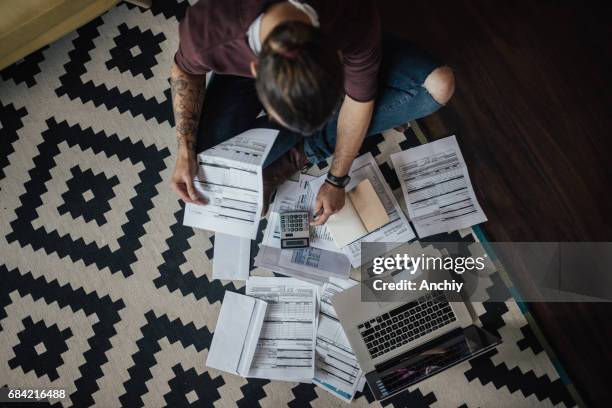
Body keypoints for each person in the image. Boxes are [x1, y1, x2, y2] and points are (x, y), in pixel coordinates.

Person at [169, 0, 454, 225]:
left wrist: (336, 178)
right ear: (255, 69)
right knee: (208, 161)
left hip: (348, 33)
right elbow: (184, 71)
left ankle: (300, 153)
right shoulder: (210, 30)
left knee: (438, 86)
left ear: (338, 57)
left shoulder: (350, 17)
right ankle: (303, 141)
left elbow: (359, 101)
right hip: (241, 55)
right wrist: (184, 150)